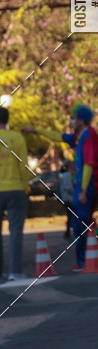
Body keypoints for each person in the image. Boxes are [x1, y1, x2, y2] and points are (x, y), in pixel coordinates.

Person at [30, 104, 98, 271]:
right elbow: (58, 136)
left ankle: (84, 260)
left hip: (88, 184)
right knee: (86, 220)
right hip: (85, 184)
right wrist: (36, 130)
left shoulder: (88, 136)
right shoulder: (79, 136)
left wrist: (83, 190)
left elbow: (89, 164)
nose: (71, 122)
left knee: (79, 221)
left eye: (73, 118)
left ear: (81, 120)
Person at [0, 106, 29, 280]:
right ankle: (15, 271)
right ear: (7, 120)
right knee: (16, 232)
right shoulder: (17, 138)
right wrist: (25, 187)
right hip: (16, 189)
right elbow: (23, 166)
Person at [58, 162, 74, 238]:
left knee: (69, 215)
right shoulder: (67, 175)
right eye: (72, 166)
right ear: (69, 167)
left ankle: (68, 232)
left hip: (65, 198)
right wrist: (75, 193)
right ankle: (69, 232)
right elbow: (68, 188)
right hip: (69, 198)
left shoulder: (63, 175)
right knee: (72, 215)